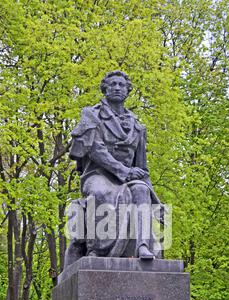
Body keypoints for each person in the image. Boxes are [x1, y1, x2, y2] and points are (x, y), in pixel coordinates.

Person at [64, 70, 164, 267]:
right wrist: (125, 172)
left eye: (121, 85)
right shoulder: (92, 115)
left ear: (128, 91)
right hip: (97, 174)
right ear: (105, 89)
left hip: (127, 177)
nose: (117, 88)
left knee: (141, 190)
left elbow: (141, 167)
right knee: (102, 194)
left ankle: (143, 246)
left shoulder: (137, 126)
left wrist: (155, 201)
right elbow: (96, 151)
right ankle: (96, 249)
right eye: (113, 84)